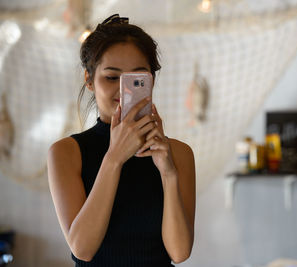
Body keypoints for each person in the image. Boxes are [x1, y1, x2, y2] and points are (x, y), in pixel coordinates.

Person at [47, 14, 196, 267]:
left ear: (151, 81)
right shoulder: (66, 152)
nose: (123, 90)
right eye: (112, 77)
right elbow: (83, 249)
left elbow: (179, 252)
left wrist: (168, 173)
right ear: (89, 80)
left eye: (136, 79)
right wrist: (114, 158)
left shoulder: (178, 153)